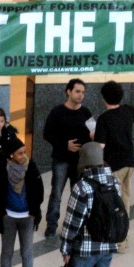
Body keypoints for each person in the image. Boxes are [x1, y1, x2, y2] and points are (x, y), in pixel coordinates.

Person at [37, 142, 119, 267]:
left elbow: (72, 222)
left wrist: (65, 249)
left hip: (85, 249)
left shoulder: (83, 187)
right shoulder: (113, 181)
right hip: (107, 245)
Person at [93, 80, 134, 252]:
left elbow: (100, 146)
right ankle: (122, 240)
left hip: (113, 167)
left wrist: (92, 135)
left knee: (111, 203)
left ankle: (114, 239)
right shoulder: (128, 111)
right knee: (125, 202)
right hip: (129, 163)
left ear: (103, 98)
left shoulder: (104, 119)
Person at [0, 137, 44, 267]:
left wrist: (34, 212)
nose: (23, 156)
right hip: (8, 217)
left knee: (27, 253)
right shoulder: (1, 170)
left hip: (27, 217)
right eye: (20, 153)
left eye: (24, 152)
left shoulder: (31, 167)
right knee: (7, 253)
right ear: (10, 155)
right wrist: (1, 211)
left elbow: (39, 191)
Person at [43, 78, 93, 238]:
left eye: (83, 92)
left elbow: (94, 131)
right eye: (78, 91)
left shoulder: (85, 112)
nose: (81, 95)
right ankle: (51, 225)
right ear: (69, 91)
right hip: (61, 159)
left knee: (78, 194)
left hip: (80, 161)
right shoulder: (57, 112)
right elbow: (47, 134)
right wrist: (65, 144)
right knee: (56, 193)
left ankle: (75, 225)